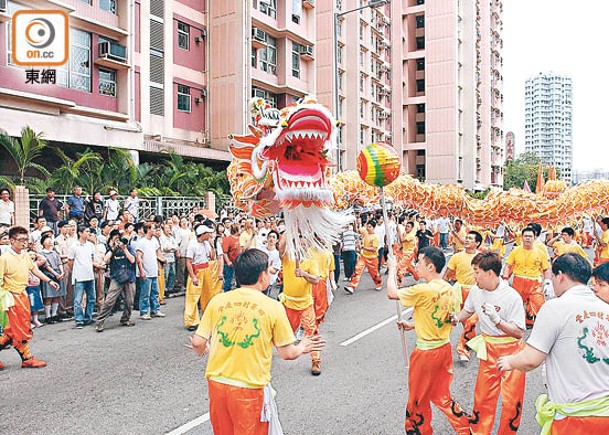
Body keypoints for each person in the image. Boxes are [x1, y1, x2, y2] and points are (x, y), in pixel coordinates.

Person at [189, 249, 325, 434]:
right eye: (269, 270)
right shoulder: (273, 307)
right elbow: (287, 353)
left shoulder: (218, 300)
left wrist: (204, 348)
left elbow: (198, 342)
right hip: (249, 388)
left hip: (217, 384)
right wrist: (303, 346)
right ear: (262, 275)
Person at [498, 254, 609, 434]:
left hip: (576, 418)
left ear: (560, 276)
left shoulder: (555, 307)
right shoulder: (605, 308)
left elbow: (530, 360)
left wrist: (509, 362)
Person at [386, 246, 470, 434]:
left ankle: (418, 431)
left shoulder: (423, 290)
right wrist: (413, 325)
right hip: (444, 348)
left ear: (431, 267)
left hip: (426, 354)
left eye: (419, 262)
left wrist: (392, 268)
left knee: (417, 397)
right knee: (442, 395)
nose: (416, 265)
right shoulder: (448, 289)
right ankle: (466, 427)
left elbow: (392, 293)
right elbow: (440, 317)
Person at [452, 252, 526, 434]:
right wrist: (454, 318)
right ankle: (479, 432)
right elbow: (467, 311)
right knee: (483, 396)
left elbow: (518, 332)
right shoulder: (476, 291)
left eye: (476, 272)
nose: (473, 276)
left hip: (512, 353)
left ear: (490, 273)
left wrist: (497, 320)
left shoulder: (512, 296)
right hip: (488, 350)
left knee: (511, 401)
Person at [0, 226, 60, 369]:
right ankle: (27, 358)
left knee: (13, 330)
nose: (24, 243)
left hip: (23, 295)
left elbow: (34, 269)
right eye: (21, 240)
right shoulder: (4, 258)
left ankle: (27, 358)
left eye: (26, 240)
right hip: (11, 298)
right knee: (19, 330)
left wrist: (49, 281)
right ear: (12, 240)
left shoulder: (25, 255)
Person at [278, 235, 323, 375]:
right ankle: (264, 356)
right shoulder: (287, 258)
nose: (301, 247)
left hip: (305, 305)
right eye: (299, 244)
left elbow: (315, 280)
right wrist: (290, 227)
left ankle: (316, 360)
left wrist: (303, 273)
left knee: (312, 331)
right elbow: (280, 247)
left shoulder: (311, 261)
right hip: (289, 304)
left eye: (304, 245)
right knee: (281, 332)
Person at [444, 230, 482, 362]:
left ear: (477, 243)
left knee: (471, 321)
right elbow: (447, 276)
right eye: (466, 238)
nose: (466, 240)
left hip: (477, 292)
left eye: (470, 239)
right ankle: (470, 343)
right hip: (459, 292)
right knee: (466, 322)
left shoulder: (482, 258)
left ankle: (463, 349)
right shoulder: (456, 257)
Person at [502, 226, 551, 328]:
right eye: (525, 236)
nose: (528, 238)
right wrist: (505, 279)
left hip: (534, 283)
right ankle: (519, 322)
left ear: (535, 238)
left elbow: (546, 268)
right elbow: (508, 265)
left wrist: (547, 281)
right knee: (516, 303)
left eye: (530, 236)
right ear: (522, 238)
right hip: (518, 281)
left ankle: (536, 323)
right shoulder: (515, 251)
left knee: (539, 304)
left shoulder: (540, 252)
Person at [95, 233, 137, 332]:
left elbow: (132, 260)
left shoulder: (129, 248)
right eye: (116, 240)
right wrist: (114, 249)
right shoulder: (111, 249)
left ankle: (125, 319)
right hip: (117, 277)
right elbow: (106, 259)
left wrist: (124, 249)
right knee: (109, 300)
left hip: (129, 276)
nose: (119, 242)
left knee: (129, 301)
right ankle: (99, 322)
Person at [184, 224, 215, 330]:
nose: (210, 235)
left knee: (208, 294)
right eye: (208, 233)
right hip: (197, 270)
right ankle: (191, 321)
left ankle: (208, 318)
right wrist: (193, 276)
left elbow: (211, 256)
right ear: (203, 234)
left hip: (206, 269)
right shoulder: (192, 244)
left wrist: (211, 245)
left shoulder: (206, 243)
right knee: (193, 296)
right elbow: (188, 261)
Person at [136, 223, 166, 321]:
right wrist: (141, 271)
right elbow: (139, 257)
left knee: (155, 292)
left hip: (153, 270)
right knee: (145, 293)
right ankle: (144, 312)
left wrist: (161, 262)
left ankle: (155, 310)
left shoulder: (154, 241)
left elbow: (157, 254)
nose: (155, 230)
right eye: (153, 228)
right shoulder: (142, 242)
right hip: (146, 271)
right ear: (148, 229)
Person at [68, 225, 96, 329]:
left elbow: (92, 258)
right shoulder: (74, 246)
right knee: (78, 300)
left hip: (90, 275)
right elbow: (70, 262)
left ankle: (88, 317)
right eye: (86, 231)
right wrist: (76, 270)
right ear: (80, 233)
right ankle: (79, 319)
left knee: (92, 298)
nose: (88, 233)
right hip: (79, 276)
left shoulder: (91, 245)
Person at [345, 219, 383, 294]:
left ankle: (379, 284)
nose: (368, 228)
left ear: (373, 228)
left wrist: (363, 247)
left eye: (370, 227)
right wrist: (355, 222)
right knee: (357, 270)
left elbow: (374, 249)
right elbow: (356, 230)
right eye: (367, 226)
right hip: (363, 257)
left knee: (375, 274)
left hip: (372, 258)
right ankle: (352, 286)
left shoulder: (376, 237)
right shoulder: (365, 232)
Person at [40, 233, 66, 324]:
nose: (50, 241)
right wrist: (55, 274)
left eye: (51, 239)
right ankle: (48, 316)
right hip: (49, 275)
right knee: (49, 296)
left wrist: (62, 272)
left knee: (57, 296)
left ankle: (54, 314)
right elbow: (46, 266)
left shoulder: (55, 252)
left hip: (58, 274)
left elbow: (59, 263)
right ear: (43, 242)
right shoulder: (41, 254)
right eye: (47, 240)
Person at [222, 224, 241, 292]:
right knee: (229, 279)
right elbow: (225, 252)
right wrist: (228, 261)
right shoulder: (228, 239)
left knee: (239, 278)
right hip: (231, 262)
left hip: (238, 262)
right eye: (240, 228)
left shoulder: (240, 238)